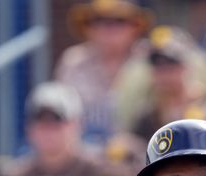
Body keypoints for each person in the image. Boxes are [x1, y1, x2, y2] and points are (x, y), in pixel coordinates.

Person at [55, 0, 153, 144]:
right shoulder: (73, 61)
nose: (109, 28)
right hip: (86, 150)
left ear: (135, 27)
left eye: (119, 21)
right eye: (99, 21)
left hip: (142, 149)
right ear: (88, 28)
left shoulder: (150, 58)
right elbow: (60, 111)